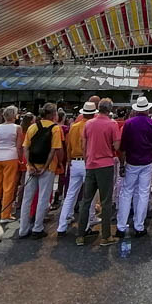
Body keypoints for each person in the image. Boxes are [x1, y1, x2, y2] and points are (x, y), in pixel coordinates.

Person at [76, 98, 121, 246]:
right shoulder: (112, 124)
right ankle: (106, 236)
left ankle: (80, 235)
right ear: (110, 110)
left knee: (86, 200)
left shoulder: (88, 124)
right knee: (106, 201)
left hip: (90, 164)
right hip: (105, 164)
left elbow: (84, 144)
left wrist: (87, 159)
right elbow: (116, 145)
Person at [116, 97, 152, 238]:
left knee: (126, 192)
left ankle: (121, 226)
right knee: (142, 193)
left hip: (131, 161)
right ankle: (139, 225)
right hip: (147, 162)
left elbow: (122, 147)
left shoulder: (128, 124)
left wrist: (122, 164)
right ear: (147, 109)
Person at [19, 103, 64, 239]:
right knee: (43, 198)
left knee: (27, 198)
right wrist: (45, 167)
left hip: (32, 167)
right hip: (47, 168)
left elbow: (26, 148)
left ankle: (23, 228)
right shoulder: (55, 129)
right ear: (52, 114)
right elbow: (53, 150)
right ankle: (37, 228)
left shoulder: (32, 127)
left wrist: (30, 165)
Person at [57, 101, 95, 236]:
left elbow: (68, 146)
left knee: (70, 194)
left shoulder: (74, 126)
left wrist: (68, 161)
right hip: (88, 161)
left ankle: (61, 225)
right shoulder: (91, 126)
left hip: (74, 161)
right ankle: (88, 224)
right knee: (88, 194)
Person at [0, 106, 23, 222]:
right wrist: (20, 159)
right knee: (8, 187)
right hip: (11, 156)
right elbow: (18, 146)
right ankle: (5, 214)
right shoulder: (17, 128)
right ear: (15, 115)